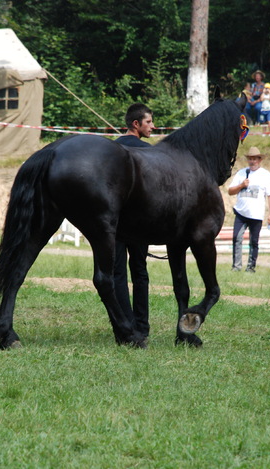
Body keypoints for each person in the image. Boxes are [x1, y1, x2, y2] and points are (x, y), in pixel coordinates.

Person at [113, 103, 155, 339]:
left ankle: (126, 324)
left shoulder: (112, 149)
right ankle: (142, 325)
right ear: (136, 124)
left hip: (117, 223)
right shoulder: (148, 151)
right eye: (149, 122)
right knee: (139, 272)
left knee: (118, 273)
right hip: (139, 223)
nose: (153, 126)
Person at [228, 146, 270, 273]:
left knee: (254, 241)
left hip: (256, 215)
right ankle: (236, 266)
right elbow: (230, 191)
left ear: (259, 160)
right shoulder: (241, 173)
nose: (252, 161)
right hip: (241, 213)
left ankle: (250, 267)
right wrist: (241, 185)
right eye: (250, 159)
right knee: (236, 238)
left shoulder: (265, 175)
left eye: (254, 159)